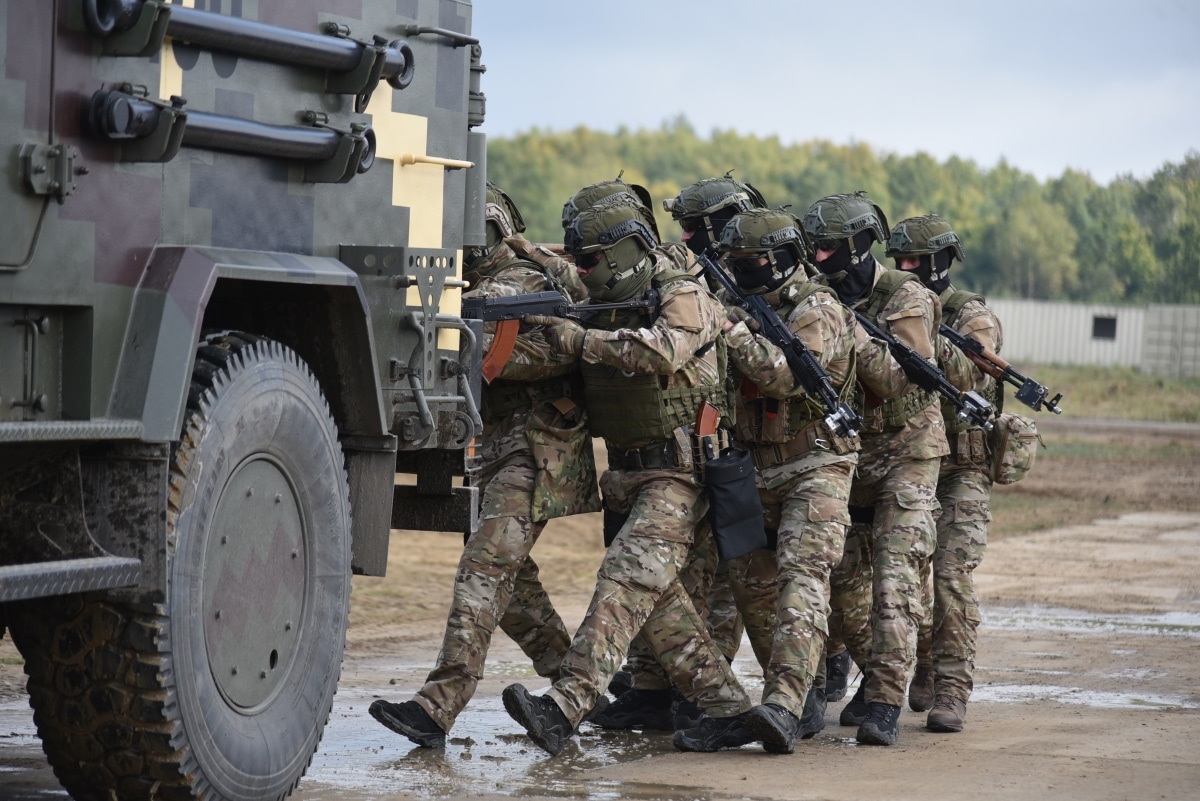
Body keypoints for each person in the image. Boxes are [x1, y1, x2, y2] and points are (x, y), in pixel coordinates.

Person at [501, 194, 754, 756]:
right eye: (580, 260)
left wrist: (578, 339)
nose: (583, 271)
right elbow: (567, 269)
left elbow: (664, 352)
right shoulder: (611, 284)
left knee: (625, 578)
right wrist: (522, 250)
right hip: (628, 475)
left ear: (626, 253)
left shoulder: (684, 293)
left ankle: (567, 703)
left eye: (592, 260)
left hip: (681, 473)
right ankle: (729, 709)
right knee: (656, 599)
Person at [368, 183, 600, 747]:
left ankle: (436, 707)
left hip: (539, 450)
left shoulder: (519, 283)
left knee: (485, 568)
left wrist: (461, 346)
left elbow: (538, 354)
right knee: (513, 590)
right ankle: (582, 689)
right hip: (501, 451)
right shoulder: (471, 290)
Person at [588, 174, 770, 732]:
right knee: (673, 576)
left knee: (727, 583)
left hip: (733, 445)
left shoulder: (744, 276)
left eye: (700, 227)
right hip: (689, 437)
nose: (690, 237)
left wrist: (733, 324)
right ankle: (655, 687)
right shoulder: (681, 271)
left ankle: (746, 695)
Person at [804, 191, 950, 746]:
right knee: (842, 585)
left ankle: (886, 700)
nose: (818, 258)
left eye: (830, 248)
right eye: (814, 247)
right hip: (852, 455)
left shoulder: (908, 299)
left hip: (908, 455)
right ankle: (872, 671)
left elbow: (891, 380)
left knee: (896, 580)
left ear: (860, 246)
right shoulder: (819, 295)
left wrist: (846, 325)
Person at [715, 208, 861, 753]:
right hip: (756, 467)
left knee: (802, 580)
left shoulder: (816, 307)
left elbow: (788, 377)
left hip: (818, 464)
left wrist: (732, 331)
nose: (742, 270)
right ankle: (804, 694)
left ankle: (783, 703)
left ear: (779, 260)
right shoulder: (748, 304)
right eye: (735, 264)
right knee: (752, 588)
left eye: (750, 262)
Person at [887, 213, 1003, 733]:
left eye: (915, 261)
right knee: (901, 577)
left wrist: (922, 333)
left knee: (950, 578)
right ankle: (918, 663)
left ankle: (952, 689)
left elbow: (972, 372)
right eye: (900, 262)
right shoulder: (894, 305)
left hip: (962, 465)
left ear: (940, 262)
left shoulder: (971, 316)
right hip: (911, 460)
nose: (906, 269)